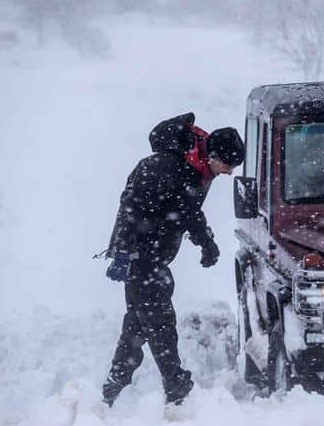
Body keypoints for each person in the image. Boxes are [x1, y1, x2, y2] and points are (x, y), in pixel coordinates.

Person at [102, 113, 245, 406]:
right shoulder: (167, 168)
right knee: (159, 320)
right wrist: (121, 252)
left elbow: (188, 211)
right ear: (215, 155)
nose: (229, 173)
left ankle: (111, 389)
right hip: (142, 257)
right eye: (228, 166)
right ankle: (175, 383)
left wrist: (207, 244)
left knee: (138, 324)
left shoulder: (194, 169)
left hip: (153, 257)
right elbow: (130, 206)